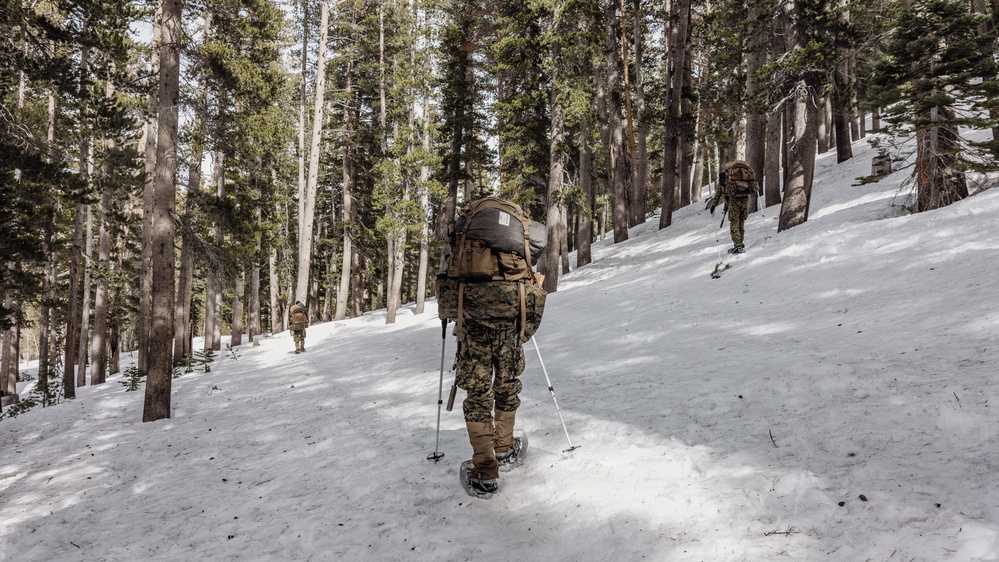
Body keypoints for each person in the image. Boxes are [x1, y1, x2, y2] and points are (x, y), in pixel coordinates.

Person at [707, 160, 761, 254]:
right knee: (741, 221)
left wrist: (713, 205)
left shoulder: (725, 176)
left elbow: (719, 192)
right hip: (744, 199)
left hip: (733, 201)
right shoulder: (744, 174)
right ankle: (740, 243)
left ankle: (738, 245)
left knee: (734, 222)